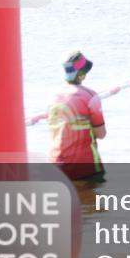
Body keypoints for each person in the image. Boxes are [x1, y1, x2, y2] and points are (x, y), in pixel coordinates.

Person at [48, 50, 107, 182]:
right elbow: (101, 133)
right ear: (82, 75)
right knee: (93, 201)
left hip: (57, 168)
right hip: (86, 168)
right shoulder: (90, 96)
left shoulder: (52, 96)